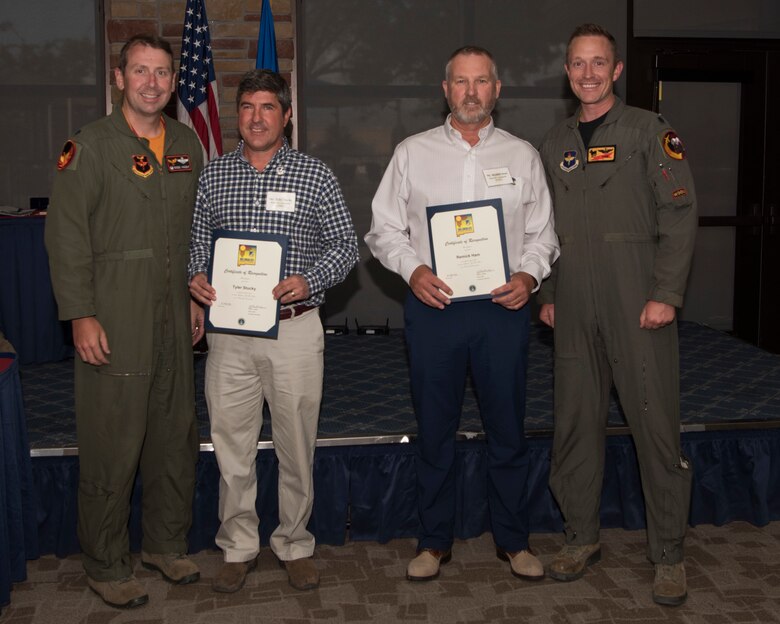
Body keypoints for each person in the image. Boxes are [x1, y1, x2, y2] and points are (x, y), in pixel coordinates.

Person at [366, 46, 559, 582]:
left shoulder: (522, 156)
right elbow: (383, 229)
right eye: (460, 82)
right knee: (434, 428)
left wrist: (528, 276)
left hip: (503, 309)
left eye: (481, 82)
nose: (471, 92)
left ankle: (515, 541)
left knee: (508, 428)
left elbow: (544, 234)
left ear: (497, 89)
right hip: (436, 309)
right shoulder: (411, 152)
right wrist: (412, 270)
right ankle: (433, 541)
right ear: (444, 89)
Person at [537, 23, 698, 607]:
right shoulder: (553, 143)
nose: (587, 73)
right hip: (574, 303)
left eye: (597, 63)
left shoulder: (648, 132)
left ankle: (669, 553)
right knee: (575, 425)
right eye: (577, 63)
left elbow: (679, 216)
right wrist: (547, 293)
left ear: (617, 70)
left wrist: (667, 293)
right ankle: (581, 538)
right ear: (567, 71)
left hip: (638, 303)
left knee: (655, 426)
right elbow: (544, 230)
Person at [45, 34, 205, 609]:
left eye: (162, 73)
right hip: (115, 317)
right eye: (140, 71)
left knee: (173, 434)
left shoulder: (187, 143)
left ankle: (165, 542)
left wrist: (195, 295)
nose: (152, 82)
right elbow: (65, 237)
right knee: (113, 441)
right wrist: (81, 315)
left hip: (174, 315)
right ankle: (106, 561)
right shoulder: (89, 146)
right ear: (119, 78)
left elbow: (194, 229)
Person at [189, 69, 358, 594]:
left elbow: (347, 247)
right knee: (231, 445)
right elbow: (197, 244)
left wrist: (310, 278)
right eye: (247, 107)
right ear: (235, 115)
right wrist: (194, 275)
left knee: (295, 445)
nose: (256, 117)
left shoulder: (315, 175)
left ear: (286, 115)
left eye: (268, 107)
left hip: (294, 330)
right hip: (230, 336)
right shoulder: (213, 176)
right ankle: (238, 546)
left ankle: (294, 542)